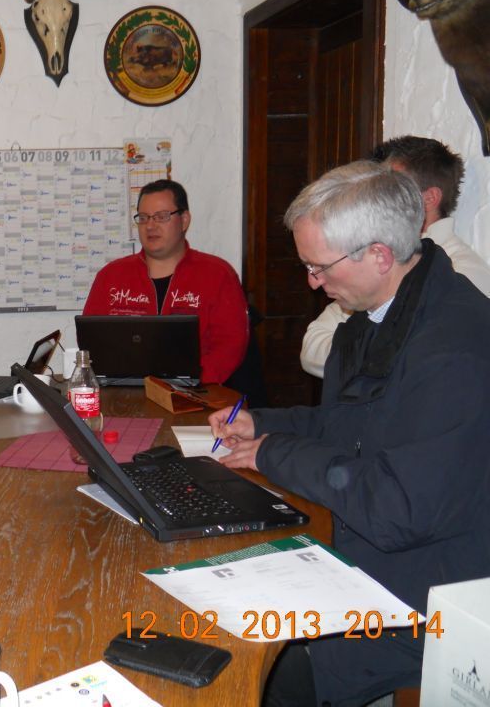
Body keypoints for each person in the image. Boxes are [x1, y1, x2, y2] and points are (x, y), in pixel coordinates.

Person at [209, 161, 490, 706]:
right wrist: (261, 423)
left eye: (319, 267)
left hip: (425, 595)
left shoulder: (455, 349)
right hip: (367, 555)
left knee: (253, 670)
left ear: (379, 255)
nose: (312, 282)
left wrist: (272, 453)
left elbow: (396, 511)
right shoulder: (376, 315)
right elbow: (347, 426)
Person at [300, 136, 490, 377]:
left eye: (392, 186)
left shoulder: (461, 273)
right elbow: (311, 348)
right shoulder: (371, 260)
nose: (375, 197)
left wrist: (368, 350)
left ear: (429, 198)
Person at [83, 179, 249, 383]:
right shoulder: (111, 276)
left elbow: (230, 346)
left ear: (184, 220)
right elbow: (92, 343)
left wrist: (188, 380)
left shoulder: (218, 275)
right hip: (123, 390)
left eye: (161, 217)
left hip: (197, 391)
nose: (150, 226)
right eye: (143, 218)